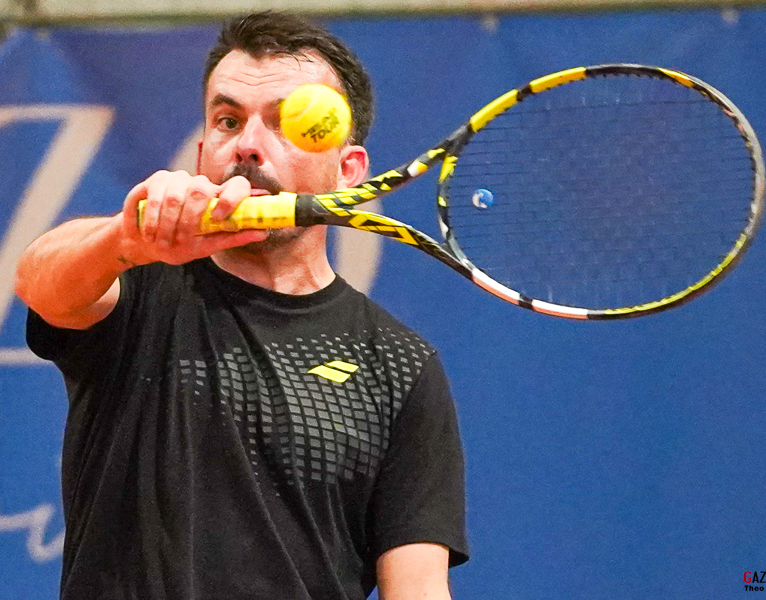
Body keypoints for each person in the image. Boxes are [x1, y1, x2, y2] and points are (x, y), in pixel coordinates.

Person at [14, 11, 468, 600]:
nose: (249, 146)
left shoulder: (402, 368)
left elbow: (418, 591)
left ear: (349, 171)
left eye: (292, 125)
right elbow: (39, 280)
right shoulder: (138, 286)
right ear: (203, 152)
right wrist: (124, 240)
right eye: (229, 121)